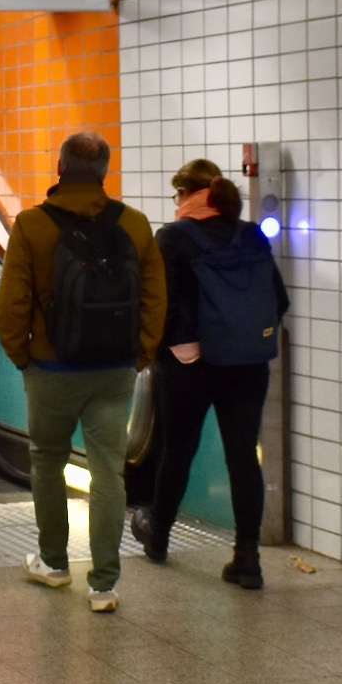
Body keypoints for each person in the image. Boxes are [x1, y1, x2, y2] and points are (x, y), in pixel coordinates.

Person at [0, 131, 165, 612]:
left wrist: (23, 357)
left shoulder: (32, 225)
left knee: (47, 460)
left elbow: (11, 303)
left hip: (51, 368)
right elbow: (156, 299)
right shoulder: (134, 224)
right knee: (109, 470)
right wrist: (140, 355)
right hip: (115, 369)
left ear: (60, 168)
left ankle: (53, 563)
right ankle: (104, 584)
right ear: (105, 172)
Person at [136, 166, 289, 586]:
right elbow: (278, 299)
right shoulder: (251, 234)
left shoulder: (172, 237)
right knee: (243, 456)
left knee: (178, 450)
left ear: (186, 193)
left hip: (190, 366)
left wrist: (176, 349)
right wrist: (244, 337)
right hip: (248, 364)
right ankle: (247, 557)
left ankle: (158, 536)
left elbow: (161, 305)